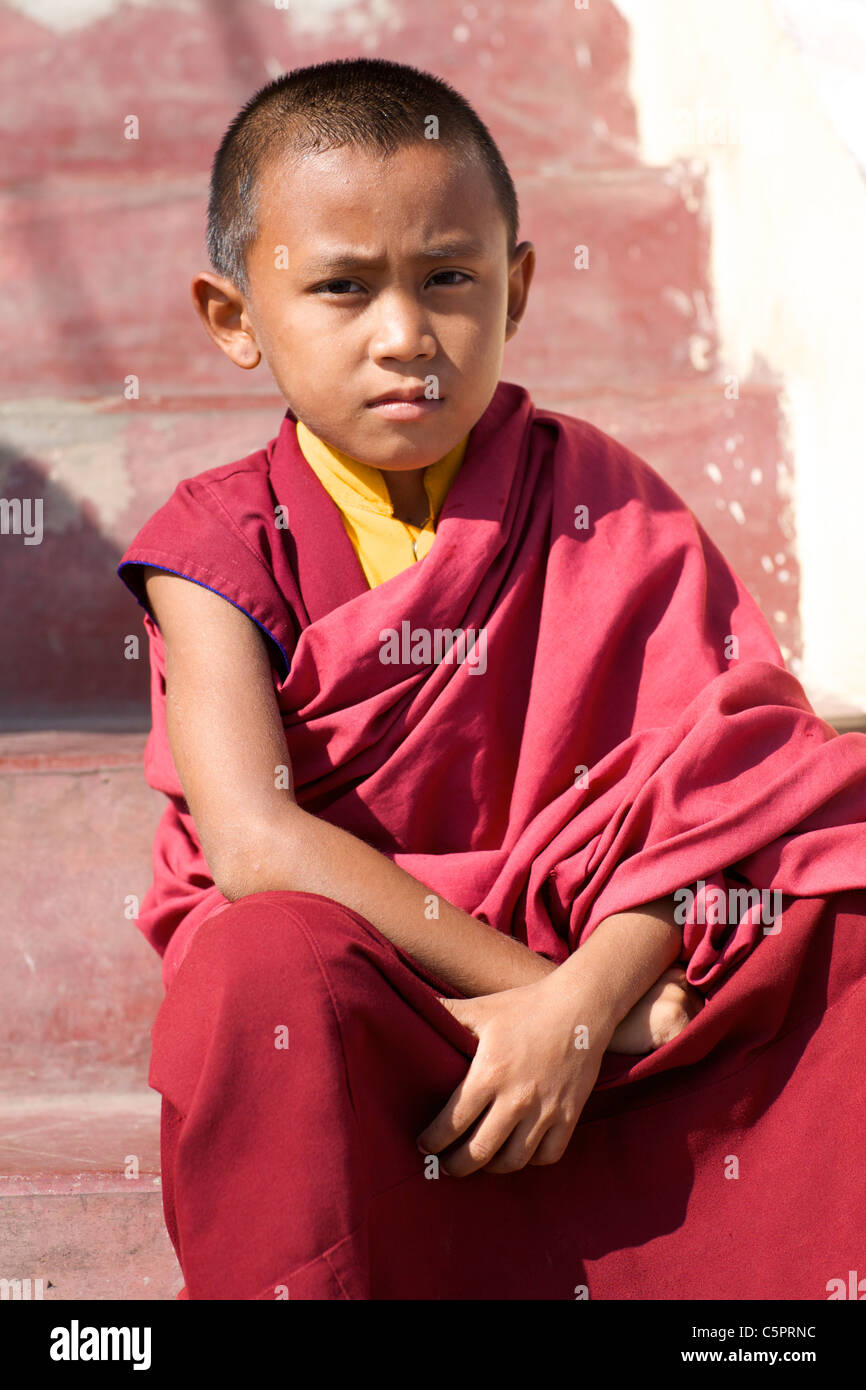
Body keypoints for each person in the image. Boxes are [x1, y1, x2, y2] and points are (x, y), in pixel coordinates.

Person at [117, 57, 866, 1300]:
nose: (406, 334)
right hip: (395, 1014)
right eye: (343, 288)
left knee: (835, 902)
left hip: (624, 988)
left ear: (515, 289)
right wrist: (541, 1004)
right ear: (234, 316)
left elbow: (731, 795)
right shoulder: (215, 549)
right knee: (259, 971)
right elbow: (252, 845)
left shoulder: (598, 500)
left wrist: (595, 994)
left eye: (448, 277)